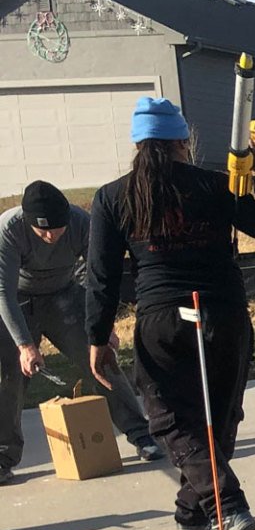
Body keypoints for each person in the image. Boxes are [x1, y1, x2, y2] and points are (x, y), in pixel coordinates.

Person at [86, 97, 255, 530]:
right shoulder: (216, 185)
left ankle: (226, 507)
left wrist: (97, 339)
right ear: (183, 141)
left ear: (137, 144)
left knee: (172, 420)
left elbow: (101, 276)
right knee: (218, 417)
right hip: (224, 312)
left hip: (162, 318)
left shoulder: (113, 196)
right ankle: (192, 512)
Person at [1, 182, 161, 484]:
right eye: (43, 231)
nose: (51, 236)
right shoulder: (9, 230)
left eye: (56, 229)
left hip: (64, 296)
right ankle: (3, 455)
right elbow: (3, 293)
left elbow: (99, 276)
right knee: (9, 374)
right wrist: (24, 344)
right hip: (17, 300)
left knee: (101, 359)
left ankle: (141, 435)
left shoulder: (81, 222)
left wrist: (103, 326)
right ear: (27, 220)